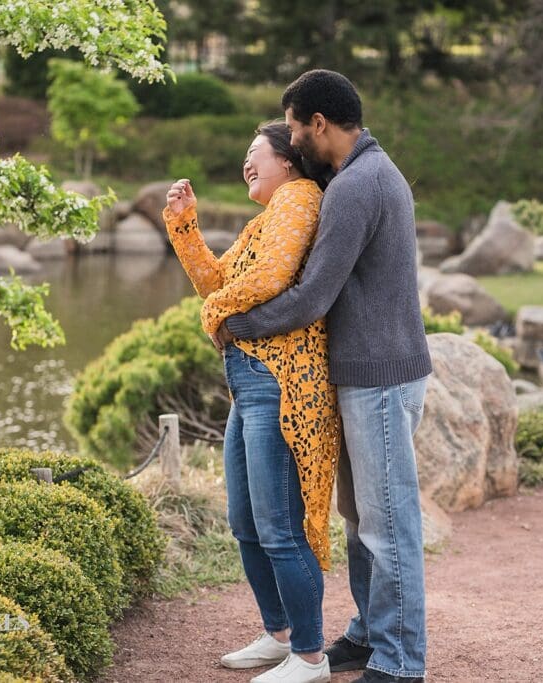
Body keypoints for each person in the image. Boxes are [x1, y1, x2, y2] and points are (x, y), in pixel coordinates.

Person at [218, 70, 432, 683]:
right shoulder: (358, 176)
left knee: (389, 524)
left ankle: (400, 661)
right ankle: (368, 635)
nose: (290, 139)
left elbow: (313, 296)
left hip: (380, 376)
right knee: (365, 521)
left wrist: (241, 324)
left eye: (291, 126)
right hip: (366, 373)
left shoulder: (358, 185)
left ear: (317, 124)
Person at [163, 121, 340, 683]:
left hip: (281, 381)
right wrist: (184, 225)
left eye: (252, 152)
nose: (246, 161)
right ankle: (279, 634)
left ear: (287, 159)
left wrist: (217, 314)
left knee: (279, 525)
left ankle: (310, 656)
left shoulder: (300, 200)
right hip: (248, 381)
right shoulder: (265, 218)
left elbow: (272, 276)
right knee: (245, 520)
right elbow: (216, 281)